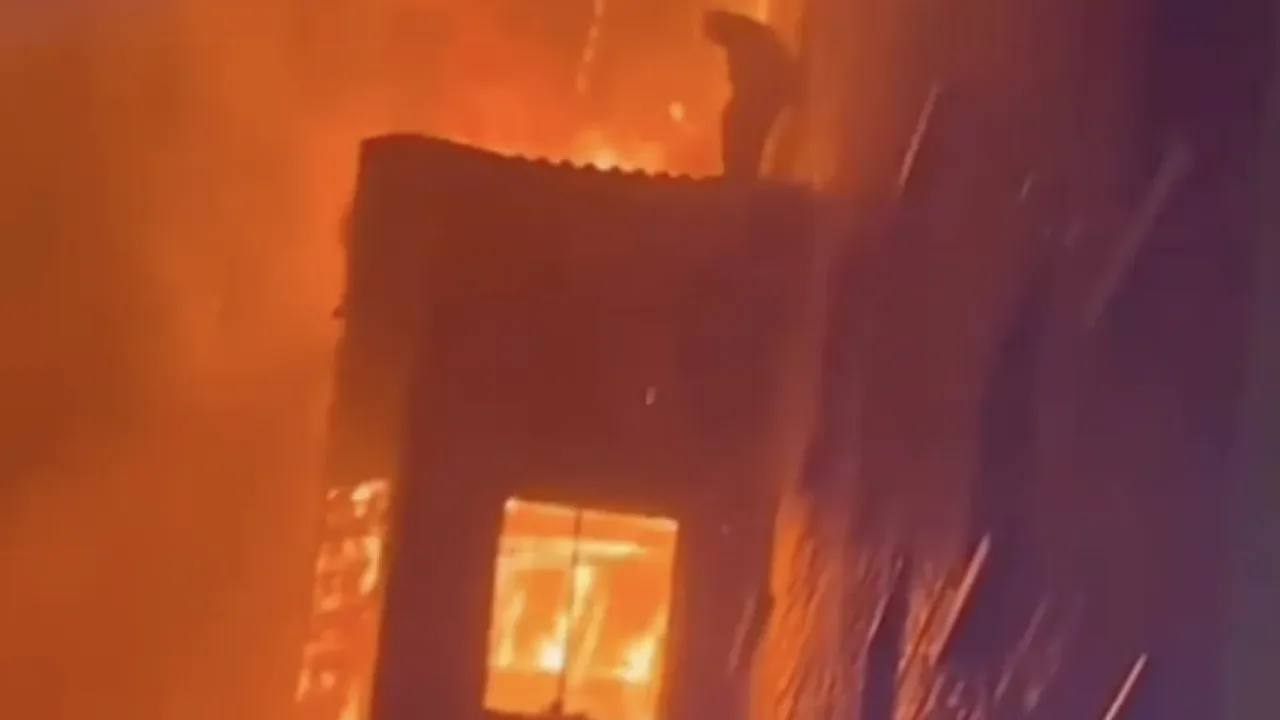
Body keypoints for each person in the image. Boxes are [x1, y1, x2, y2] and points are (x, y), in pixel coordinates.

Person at [703, 10, 799, 180]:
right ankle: (741, 174)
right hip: (766, 94)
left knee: (741, 126)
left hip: (766, 95)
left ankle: (740, 175)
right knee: (740, 125)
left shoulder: (745, 38)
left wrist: (744, 93)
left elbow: (754, 77)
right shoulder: (745, 34)